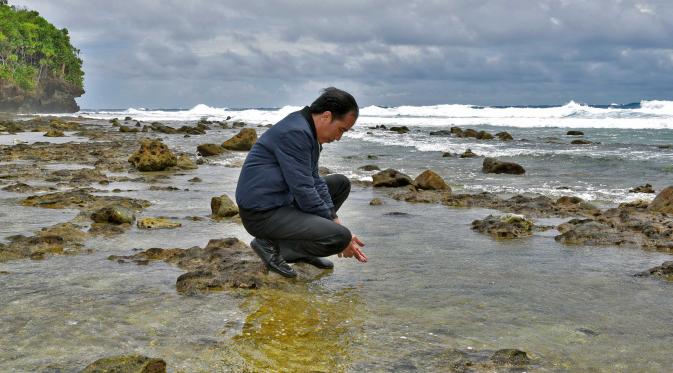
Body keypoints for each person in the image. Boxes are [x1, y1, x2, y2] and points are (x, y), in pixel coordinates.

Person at [235, 87, 367, 278]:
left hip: (281, 200)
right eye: (341, 130)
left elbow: (314, 179)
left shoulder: (306, 129)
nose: (339, 138)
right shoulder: (296, 132)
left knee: (340, 184)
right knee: (340, 237)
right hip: (262, 213)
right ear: (326, 117)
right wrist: (339, 230)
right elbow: (304, 191)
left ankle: (302, 252)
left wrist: (333, 218)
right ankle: (269, 245)